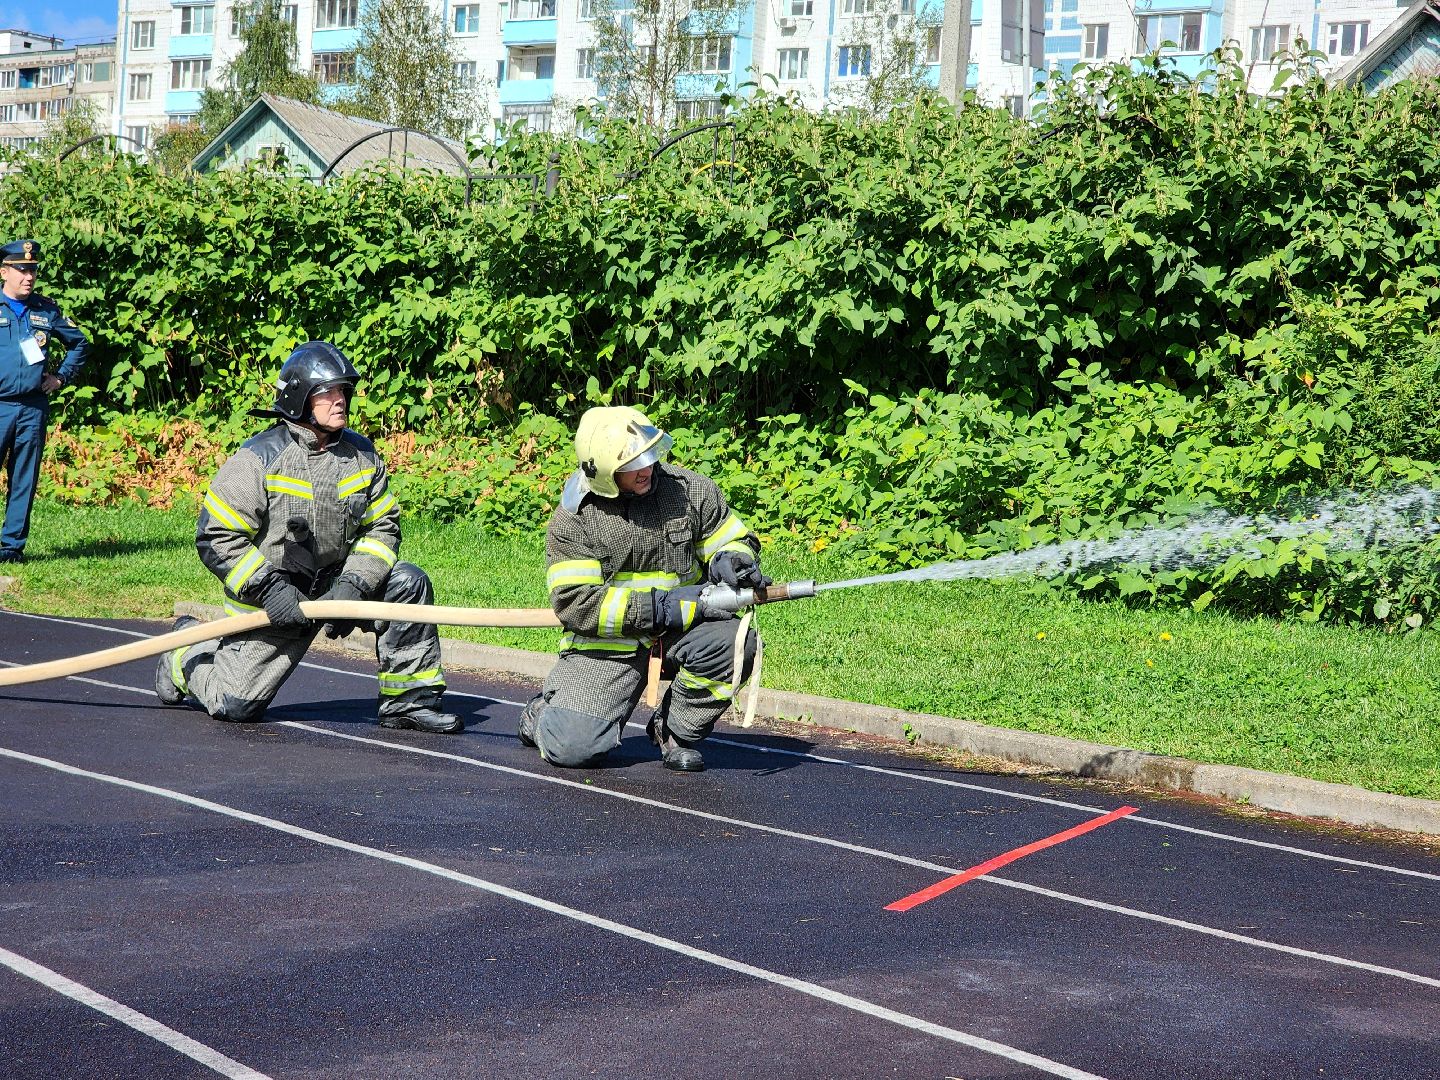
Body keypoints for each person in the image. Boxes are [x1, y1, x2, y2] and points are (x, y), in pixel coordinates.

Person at [154, 341, 462, 733]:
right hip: (274, 600)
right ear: (299, 398)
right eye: (328, 393)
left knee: (407, 583)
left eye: (343, 392)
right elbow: (216, 536)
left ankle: (410, 700)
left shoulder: (362, 456)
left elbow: (383, 527)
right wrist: (269, 589)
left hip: (338, 587)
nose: (340, 401)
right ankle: (184, 653)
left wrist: (354, 583)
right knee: (236, 705)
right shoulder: (258, 460)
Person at [519, 405, 766, 772]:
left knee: (736, 642)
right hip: (608, 644)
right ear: (603, 472)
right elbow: (577, 604)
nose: (647, 468)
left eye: (649, 455)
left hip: (684, 631)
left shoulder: (691, 491)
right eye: (633, 463)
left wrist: (732, 559)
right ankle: (542, 713)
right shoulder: (575, 519)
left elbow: (731, 539)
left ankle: (675, 732)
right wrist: (661, 608)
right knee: (572, 749)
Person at [0, 239, 90, 563]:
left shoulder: (46, 310)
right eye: (21, 270)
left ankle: (11, 548)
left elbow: (79, 344)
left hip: (33, 407)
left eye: (32, 270)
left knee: (24, 477)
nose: (28, 276)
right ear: (4, 271)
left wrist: (61, 377)